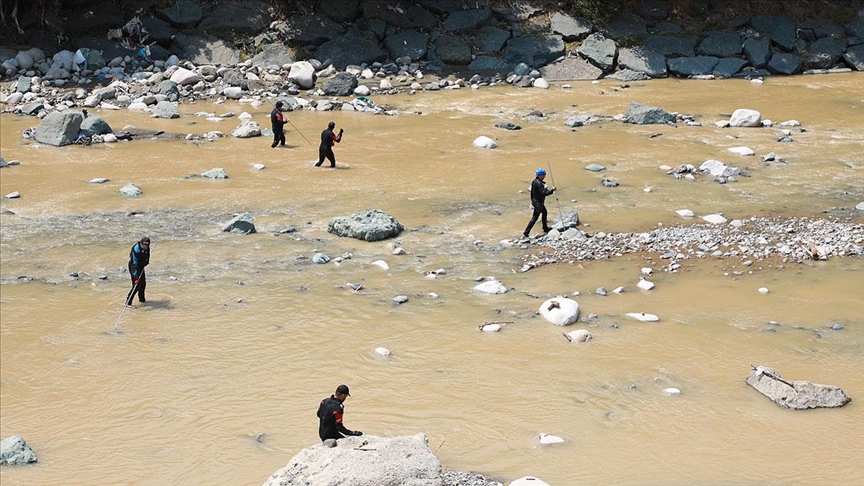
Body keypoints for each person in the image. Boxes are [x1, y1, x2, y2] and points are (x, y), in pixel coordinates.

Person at [523, 168, 556, 238]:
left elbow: (532, 193)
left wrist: (532, 201)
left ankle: (545, 227)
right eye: (543, 175)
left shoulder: (534, 181)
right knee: (535, 218)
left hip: (536, 201)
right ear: (540, 175)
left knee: (544, 212)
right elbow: (543, 193)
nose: (544, 176)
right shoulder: (539, 183)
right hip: (538, 203)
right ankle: (526, 232)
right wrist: (552, 190)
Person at [126, 236, 150, 306]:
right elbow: (135, 264)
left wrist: (146, 261)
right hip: (134, 267)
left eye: (146, 246)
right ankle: (128, 303)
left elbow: (148, 254)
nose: (145, 247)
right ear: (141, 243)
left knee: (143, 284)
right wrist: (136, 277)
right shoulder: (136, 250)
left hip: (141, 266)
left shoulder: (147, 247)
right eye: (144, 245)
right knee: (136, 286)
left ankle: (142, 300)